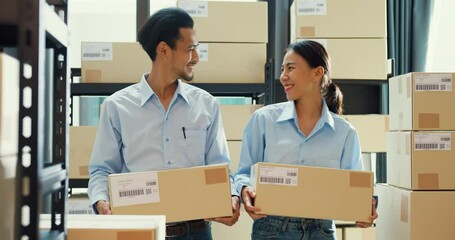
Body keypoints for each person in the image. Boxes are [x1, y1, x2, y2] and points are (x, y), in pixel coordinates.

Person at [87, 8, 240, 240]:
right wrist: (101, 201)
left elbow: (220, 168)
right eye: (190, 49)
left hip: (195, 232)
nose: (196, 58)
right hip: (139, 231)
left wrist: (231, 196)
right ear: (164, 50)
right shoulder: (116, 106)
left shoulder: (207, 105)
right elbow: (101, 170)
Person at [234, 40, 378, 240]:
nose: (283, 77)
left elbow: (357, 188)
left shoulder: (345, 133)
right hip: (272, 229)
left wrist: (366, 207)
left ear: (317, 73)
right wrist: (244, 189)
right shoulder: (264, 120)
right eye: (283, 69)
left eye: (291, 68)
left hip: (321, 231)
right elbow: (243, 174)